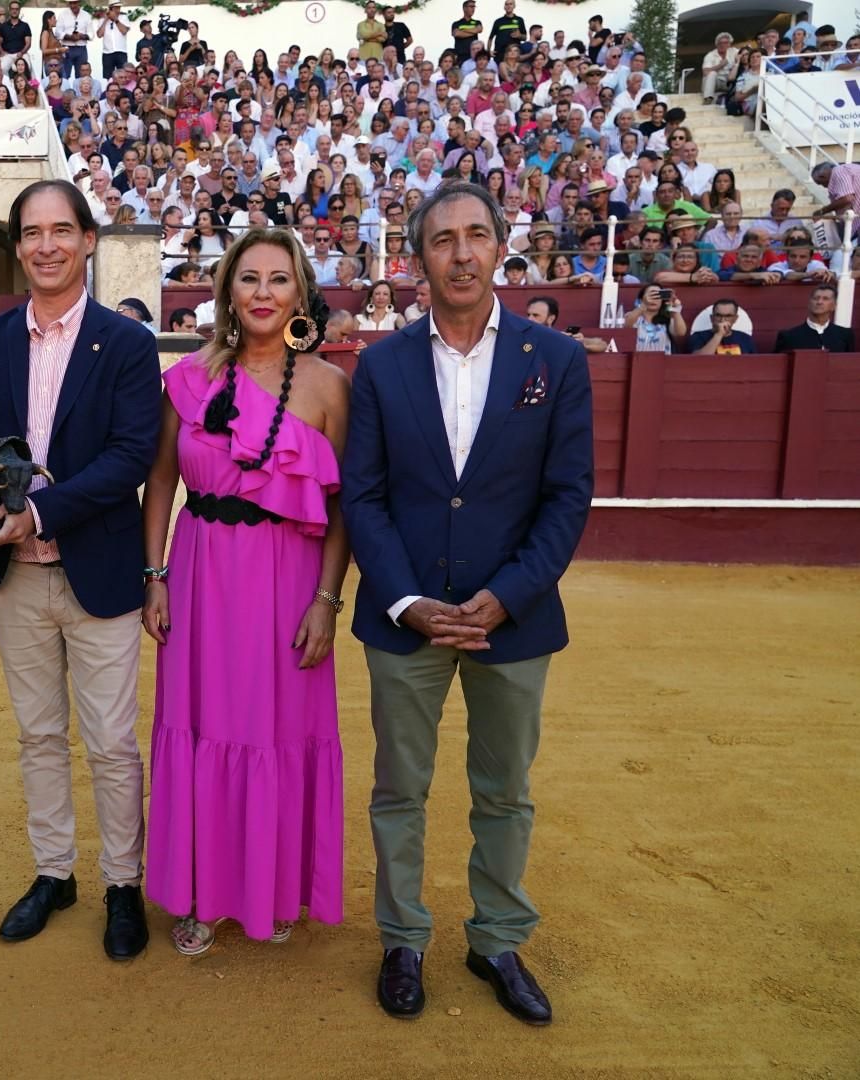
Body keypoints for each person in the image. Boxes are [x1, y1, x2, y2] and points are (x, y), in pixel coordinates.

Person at [342, 182, 593, 1027]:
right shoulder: (379, 365)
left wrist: (508, 594)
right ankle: (403, 938)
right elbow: (363, 499)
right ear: (418, 256)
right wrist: (407, 599)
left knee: (505, 790)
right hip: (405, 616)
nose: (460, 251)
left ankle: (496, 940)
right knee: (399, 788)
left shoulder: (554, 360)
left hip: (511, 620)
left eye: (476, 235)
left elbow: (567, 498)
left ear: (500, 247)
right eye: (443, 238)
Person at [0, 180, 157, 961]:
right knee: (38, 735)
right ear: (17, 245)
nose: (45, 245)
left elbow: (130, 457)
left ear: (88, 240)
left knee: (109, 740)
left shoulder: (128, 343)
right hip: (16, 577)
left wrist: (37, 513)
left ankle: (123, 884)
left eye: (60, 230)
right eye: (31, 232)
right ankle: (54, 872)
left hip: (97, 568)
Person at [141, 225, 351, 955]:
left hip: (289, 582)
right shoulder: (189, 378)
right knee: (202, 727)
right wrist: (156, 577)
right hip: (200, 576)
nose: (264, 292)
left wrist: (327, 600)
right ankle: (200, 892)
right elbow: (162, 480)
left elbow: (344, 508)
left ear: (300, 293)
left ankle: (271, 885)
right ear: (227, 291)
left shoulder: (327, 386)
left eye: (279, 279)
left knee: (278, 732)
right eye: (250, 278)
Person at [774, 284, 854, 351]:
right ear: (809, 304)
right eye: (816, 298)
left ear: (834, 306)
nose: (819, 302)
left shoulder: (845, 335)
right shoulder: (789, 336)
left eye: (825, 299)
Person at [524, 295, 615, 353]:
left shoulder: (561, 337)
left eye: (535, 315)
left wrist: (581, 345)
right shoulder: (523, 336)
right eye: (529, 315)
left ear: (551, 319)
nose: (529, 319)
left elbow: (602, 344)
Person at [623, 284, 686, 353]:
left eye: (658, 296)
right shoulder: (634, 316)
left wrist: (675, 310)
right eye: (652, 295)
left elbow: (681, 333)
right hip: (637, 361)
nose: (654, 299)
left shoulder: (668, 319)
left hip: (662, 362)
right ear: (642, 298)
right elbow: (627, 325)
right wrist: (644, 305)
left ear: (662, 300)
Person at [685, 300, 755, 355]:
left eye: (728, 316)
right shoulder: (698, 336)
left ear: (735, 318)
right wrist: (718, 335)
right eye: (718, 315)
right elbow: (698, 360)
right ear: (711, 318)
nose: (722, 320)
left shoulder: (746, 339)